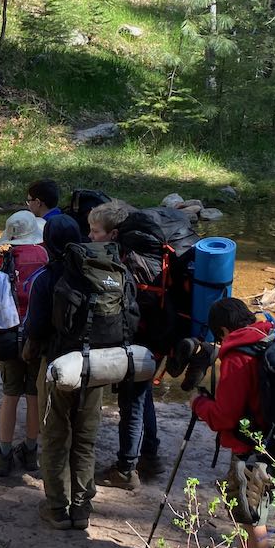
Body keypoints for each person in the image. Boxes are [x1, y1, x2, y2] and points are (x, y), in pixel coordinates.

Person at [23, 214, 100, 530]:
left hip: (56, 366)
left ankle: (57, 508)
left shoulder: (45, 278)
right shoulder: (97, 273)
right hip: (94, 366)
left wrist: (27, 354)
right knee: (84, 438)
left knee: (55, 437)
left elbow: (36, 328)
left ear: (47, 243)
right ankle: (81, 510)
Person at [188, 297, 275, 548]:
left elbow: (224, 416)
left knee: (253, 516)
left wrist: (198, 403)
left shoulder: (239, 355)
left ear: (224, 330)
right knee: (238, 499)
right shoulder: (267, 337)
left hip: (251, 447)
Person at [88, 199, 163, 490]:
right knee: (143, 396)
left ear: (114, 234)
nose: (92, 237)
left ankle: (125, 469)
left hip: (137, 337)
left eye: (96, 232)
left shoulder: (123, 261)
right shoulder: (146, 256)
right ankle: (151, 455)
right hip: (155, 335)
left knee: (131, 402)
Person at [0, 210, 48, 474]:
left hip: (9, 335)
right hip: (37, 336)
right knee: (34, 395)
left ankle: (3, 454)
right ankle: (30, 450)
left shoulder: (4, 260)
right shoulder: (45, 257)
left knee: (10, 394)